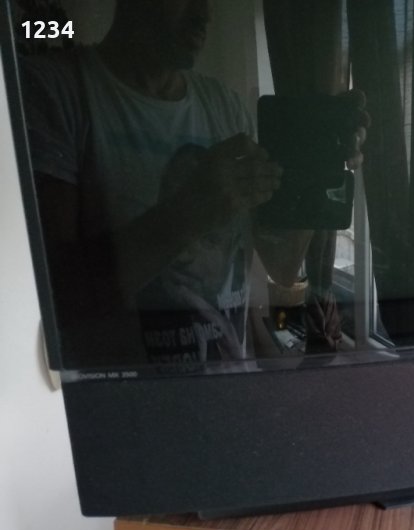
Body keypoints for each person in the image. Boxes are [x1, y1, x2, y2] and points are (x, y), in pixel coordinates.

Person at [22, 0, 367, 366]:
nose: (204, 13)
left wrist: (315, 170)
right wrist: (189, 212)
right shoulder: (51, 91)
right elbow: (55, 299)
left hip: (232, 390)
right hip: (123, 397)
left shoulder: (225, 107)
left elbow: (282, 266)